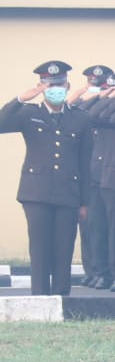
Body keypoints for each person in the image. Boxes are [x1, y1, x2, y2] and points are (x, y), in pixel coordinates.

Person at [0, 61, 92, 295]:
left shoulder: (81, 118)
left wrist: (85, 201)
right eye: (50, 85)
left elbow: (85, 162)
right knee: (39, 249)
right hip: (36, 192)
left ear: (68, 85)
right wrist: (20, 99)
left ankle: (62, 298)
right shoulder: (29, 114)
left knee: (63, 249)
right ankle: (39, 298)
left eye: (59, 84)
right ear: (41, 87)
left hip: (68, 193)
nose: (55, 88)